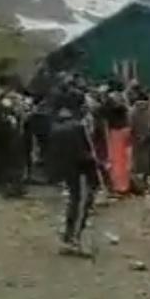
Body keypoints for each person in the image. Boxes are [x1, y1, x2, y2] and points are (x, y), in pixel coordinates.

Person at [45, 87, 98, 256]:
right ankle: (75, 239)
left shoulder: (55, 126)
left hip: (65, 171)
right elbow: (84, 153)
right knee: (81, 204)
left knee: (71, 204)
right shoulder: (77, 127)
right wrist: (96, 166)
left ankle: (67, 237)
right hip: (80, 171)